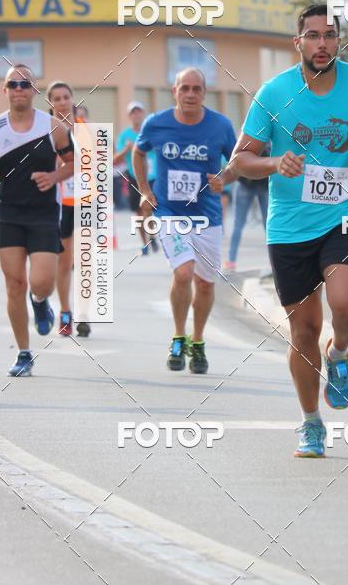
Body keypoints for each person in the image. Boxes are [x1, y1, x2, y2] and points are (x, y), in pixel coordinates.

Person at [226, 4, 348, 458]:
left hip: (347, 215)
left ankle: (340, 352)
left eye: (330, 35)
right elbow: (240, 160)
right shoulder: (274, 93)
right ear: (298, 42)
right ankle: (310, 423)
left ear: (338, 41)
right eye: (313, 35)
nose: (322, 43)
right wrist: (273, 162)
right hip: (289, 227)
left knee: (346, 306)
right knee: (303, 331)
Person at [132, 67, 237, 374]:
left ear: (204, 94)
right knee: (183, 273)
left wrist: (224, 178)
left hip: (208, 217)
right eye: (185, 88)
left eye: (197, 89)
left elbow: (237, 163)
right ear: (175, 91)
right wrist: (145, 190)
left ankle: (198, 340)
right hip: (169, 214)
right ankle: (179, 335)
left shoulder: (220, 125)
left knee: (205, 284)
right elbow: (139, 154)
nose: (190, 94)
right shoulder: (156, 123)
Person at [0, 64, 75, 376]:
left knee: (42, 282)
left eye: (25, 84)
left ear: (34, 91)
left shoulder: (53, 127)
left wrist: (55, 174)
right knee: (14, 283)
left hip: (44, 214)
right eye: (13, 84)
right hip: (8, 214)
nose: (19, 89)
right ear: (4, 91)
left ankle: (40, 300)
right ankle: (23, 353)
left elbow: (74, 162)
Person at [46, 81, 91, 338]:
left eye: (66, 97)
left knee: (86, 262)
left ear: (73, 99)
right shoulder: (47, 131)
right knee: (64, 262)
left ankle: (84, 314)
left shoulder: (87, 131)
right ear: (51, 103)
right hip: (60, 203)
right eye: (57, 98)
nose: (62, 102)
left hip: (86, 201)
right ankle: (65, 311)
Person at [115, 101, 158, 254]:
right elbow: (115, 159)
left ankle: (152, 235)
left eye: (139, 111)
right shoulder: (125, 135)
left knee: (150, 209)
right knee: (138, 212)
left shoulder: (151, 131)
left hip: (153, 176)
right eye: (133, 112)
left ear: (143, 113)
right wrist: (127, 148)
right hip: (134, 176)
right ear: (129, 116)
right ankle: (144, 243)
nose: (136, 115)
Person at [224, 146, 269, 272]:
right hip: (250, 184)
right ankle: (231, 260)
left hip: (254, 184)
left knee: (240, 224)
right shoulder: (268, 141)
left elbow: (235, 160)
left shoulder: (246, 138)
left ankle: (231, 261)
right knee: (267, 225)